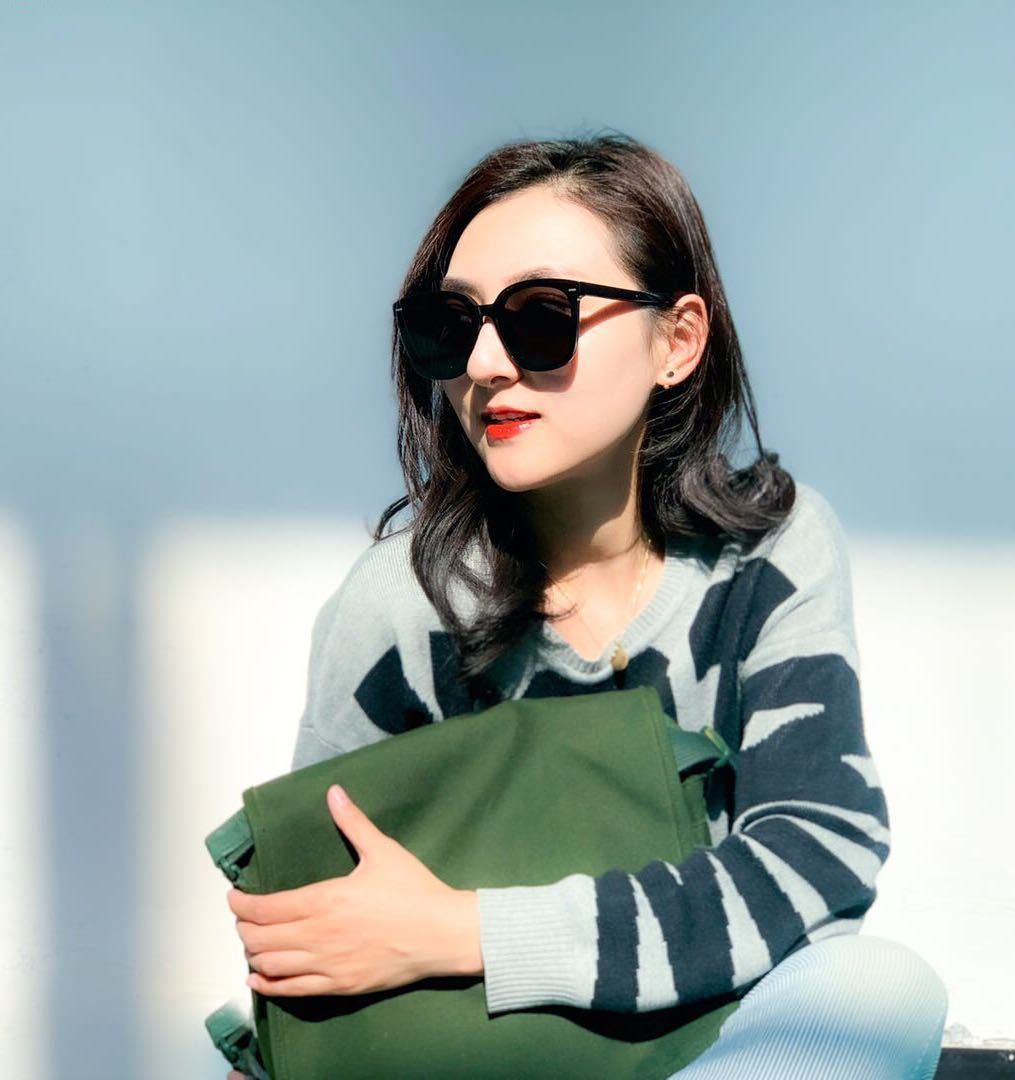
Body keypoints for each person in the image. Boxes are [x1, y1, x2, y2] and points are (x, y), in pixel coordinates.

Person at [225, 130, 949, 1079]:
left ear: (676, 341)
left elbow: (819, 854)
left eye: (539, 316)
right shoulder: (401, 605)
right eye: (451, 324)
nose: (484, 363)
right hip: (487, 1052)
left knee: (880, 991)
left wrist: (472, 930)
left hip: (716, 1046)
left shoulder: (767, 553)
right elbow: (315, 919)